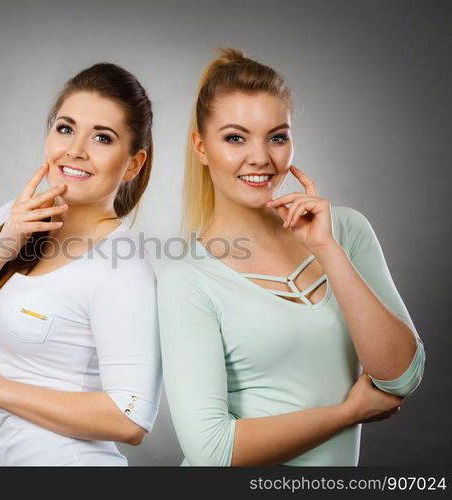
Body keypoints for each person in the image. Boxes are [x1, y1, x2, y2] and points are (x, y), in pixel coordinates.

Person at [158, 47, 425, 466]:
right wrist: (348, 413)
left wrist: (327, 250)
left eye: (277, 137)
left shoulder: (346, 232)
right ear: (201, 146)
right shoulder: (188, 280)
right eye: (235, 137)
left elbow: (401, 375)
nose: (261, 158)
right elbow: (212, 452)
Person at [0, 63, 161, 466]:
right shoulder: (12, 218)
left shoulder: (122, 265)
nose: (76, 150)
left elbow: (130, 419)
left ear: (133, 164)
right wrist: (2, 247)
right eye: (65, 128)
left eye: (102, 137)